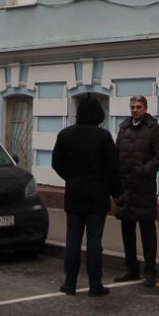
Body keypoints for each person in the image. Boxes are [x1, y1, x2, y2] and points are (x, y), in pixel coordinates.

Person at [51, 94, 121, 297]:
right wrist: (116, 193)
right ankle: (95, 284)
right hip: (97, 195)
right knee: (94, 241)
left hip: (74, 194)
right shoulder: (103, 137)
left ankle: (70, 283)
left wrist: (71, 177)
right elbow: (113, 168)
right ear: (99, 114)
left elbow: (56, 163)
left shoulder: (65, 135)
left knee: (72, 240)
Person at [114, 95, 159, 287]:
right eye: (132, 107)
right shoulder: (124, 127)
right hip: (126, 186)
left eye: (138, 107)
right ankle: (131, 268)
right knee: (127, 230)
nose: (135, 110)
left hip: (144, 187)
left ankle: (150, 271)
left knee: (147, 230)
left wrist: (145, 171)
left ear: (145, 108)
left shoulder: (153, 129)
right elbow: (117, 152)